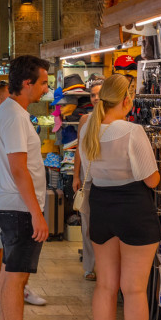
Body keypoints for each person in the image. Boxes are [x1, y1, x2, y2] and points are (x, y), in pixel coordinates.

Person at [79, 73, 161, 320]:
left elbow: (86, 167)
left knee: (105, 285)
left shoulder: (88, 126)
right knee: (134, 288)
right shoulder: (132, 131)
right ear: (127, 100)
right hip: (133, 208)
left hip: (101, 206)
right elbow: (150, 179)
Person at [0, 55, 53, 320]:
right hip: (18, 207)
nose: (46, 88)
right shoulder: (15, 115)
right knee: (17, 278)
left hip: (11, 204)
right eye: (43, 82)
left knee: (9, 271)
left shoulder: (9, 110)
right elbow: (18, 168)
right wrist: (36, 213)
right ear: (27, 83)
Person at [73, 76, 104, 282]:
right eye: (92, 95)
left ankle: (104, 265)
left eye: (99, 94)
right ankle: (90, 266)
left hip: (106, 177)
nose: (95, 98)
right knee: (87, 222)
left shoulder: (115, 120)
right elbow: (79, 149)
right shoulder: (85, 120)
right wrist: (75, 175)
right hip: (87, 177)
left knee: (103, 223)